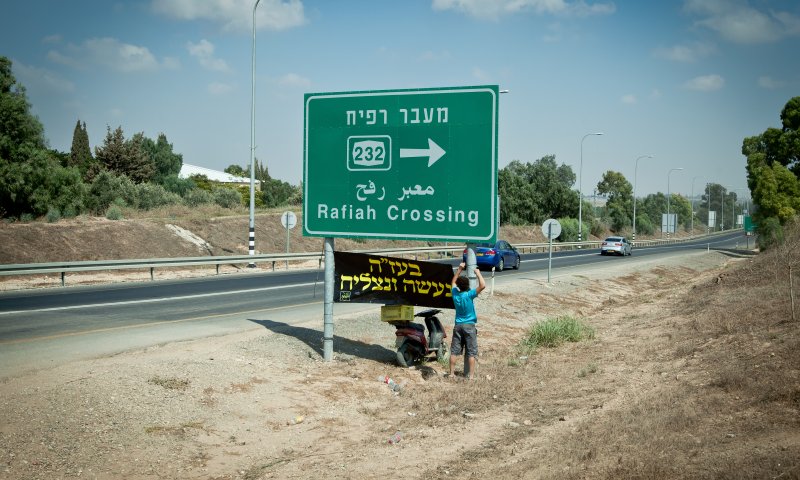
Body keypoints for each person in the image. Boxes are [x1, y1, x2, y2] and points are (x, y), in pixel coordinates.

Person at [449, 262, 485, 379]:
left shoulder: (455, 294)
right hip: (469, 325)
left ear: (458, 286)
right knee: (471, 352)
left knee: (454, 351)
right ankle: (471, 377)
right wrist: (478, 273)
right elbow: (482, 285)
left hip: (458, 325)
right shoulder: (469, 294)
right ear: (467, 286)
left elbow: (453, 282)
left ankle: (451, 374)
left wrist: (459, 269)